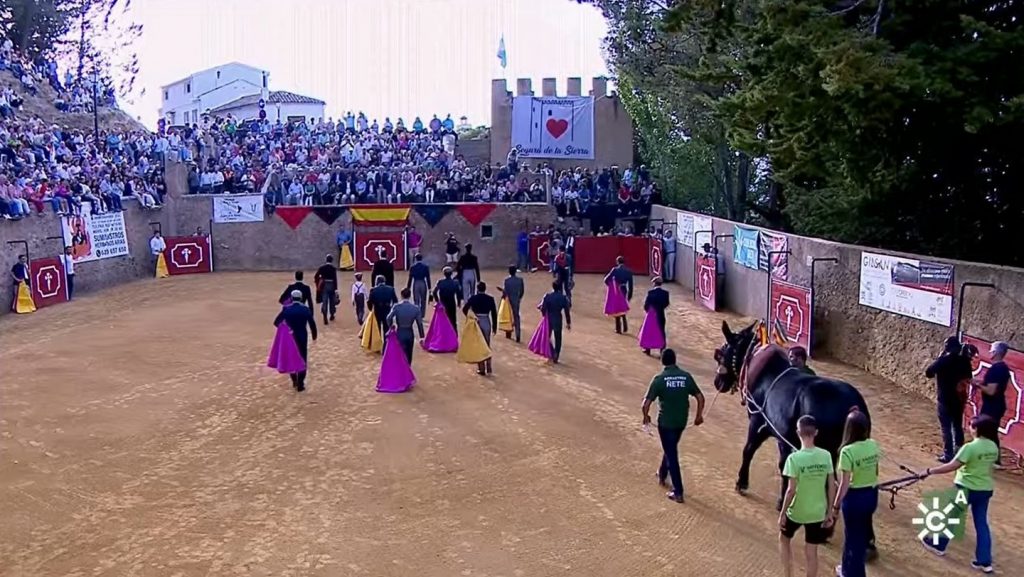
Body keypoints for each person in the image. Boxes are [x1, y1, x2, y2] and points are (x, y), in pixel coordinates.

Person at [920, 415, 1000, 573]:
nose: (970, 429)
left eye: (972, 426)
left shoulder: (970, 447)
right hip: (985, 490)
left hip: (965, 488)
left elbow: (952, 466)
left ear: (977, 429)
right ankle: (985, 561)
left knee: (951, 517)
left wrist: (930, 471)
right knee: (982, 524)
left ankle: (938, 545)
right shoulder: (993, 447)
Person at [642, 348, 705, 503]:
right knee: (670, 448)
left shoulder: (659, 379)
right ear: (675, 360)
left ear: (663, 361)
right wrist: (698, 416)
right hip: (681, 422)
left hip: (666, 423)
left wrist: (646, 416)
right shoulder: (686, 377)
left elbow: (645, 404)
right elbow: (700, 397)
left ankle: (678, 491)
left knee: (671, 454)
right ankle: (662, 474)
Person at [779, 415, 835, 577]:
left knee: (784, 539)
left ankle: (788, 574)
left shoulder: (794, 459)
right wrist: (830, 511)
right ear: (816, 432)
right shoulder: (826, 456)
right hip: (817, 512)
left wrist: (782, 513)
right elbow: (831, 485)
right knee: (812, 552)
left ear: (798, 432)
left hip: (797, 511)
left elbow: (790, 490)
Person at [831, 409, 879, 577]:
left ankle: (852, 572)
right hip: (872, 495)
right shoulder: (873, 444)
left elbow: (844, 484)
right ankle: (848, 568)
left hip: (854, 498)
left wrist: (835, 506)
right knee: (861, 534)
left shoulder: (847, 451)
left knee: (852, 537)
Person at [925, 336, 974, 462]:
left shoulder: (944, 360)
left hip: (945, 399)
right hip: (959, 398)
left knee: (946, 427)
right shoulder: (964, 361)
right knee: (957, 425)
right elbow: (969, 376)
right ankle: (960, 451)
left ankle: (948, 454)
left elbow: (928, 372)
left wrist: (940, 358)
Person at [273, 290, 318, 391]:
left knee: (291, 358)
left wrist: (285, 330)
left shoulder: (286, 310)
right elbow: (312, 324)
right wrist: (314, 335)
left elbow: (276, 322)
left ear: (292, 298)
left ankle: (294, 380)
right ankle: (301, 384)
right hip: (302, 337)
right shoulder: (305, 310)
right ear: (301, 298)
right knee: (302, 359)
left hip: (290, 337)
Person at [977, 341, 1010, 468]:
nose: (989, 352)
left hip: (992, 406)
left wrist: (978, 384)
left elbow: (991, 391)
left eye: (991, 350)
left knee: (985, 431)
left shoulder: (997, 369)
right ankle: (994, 460)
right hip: (996, 405)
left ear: (996, 353)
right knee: (991, 432)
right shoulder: (1002, 368)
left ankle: (991, 460)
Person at [462, 281, 498, 375]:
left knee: (479, 345)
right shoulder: (490, 298)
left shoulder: (473, 298)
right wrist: (494, 327)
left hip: (476, 321)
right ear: (485, 289)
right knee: (487, 344)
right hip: (486, 320)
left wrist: (471, 317)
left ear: (477, 289)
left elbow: (464, 309)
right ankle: (489, 367)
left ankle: (481, 368)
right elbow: (494, 313)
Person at [387, 287, 425, 364]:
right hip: (409, 333)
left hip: (400, 332)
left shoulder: (396, 307)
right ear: (410, 296)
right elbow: (420, 324)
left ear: (401, 296)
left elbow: (388, 318)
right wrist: (421, 336)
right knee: (409, 354)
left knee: (400, 354)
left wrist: (391, 327)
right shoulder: (415, 308)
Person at [539, 281, 572, 363]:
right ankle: (556, 354)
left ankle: (552, 352)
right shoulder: (563, 298)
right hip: (558, 319)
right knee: (558, 338)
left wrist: (544, 316)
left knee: (546, 337)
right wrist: (568, 322)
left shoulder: (547, 296)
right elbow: (566, 311)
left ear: (552, 287)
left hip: (549, 319)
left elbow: (543, 308)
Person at [604, 256, 634, 334]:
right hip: (624, 290)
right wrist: (629, 296)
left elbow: (606, 280)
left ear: (617, 262)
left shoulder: (615, 270)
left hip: (616, 290)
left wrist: (611, 286)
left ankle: (618, 329)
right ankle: (625, 326)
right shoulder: (629, 271)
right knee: (623, 308)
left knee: (617, 309)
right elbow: (631, 286)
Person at [642, 277, 670, 356]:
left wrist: (649, 312)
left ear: (654, 283)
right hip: (661, 314)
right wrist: (660, 309)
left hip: (652, 315)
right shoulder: (665, 293)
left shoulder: (651, 292)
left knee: (649, 332)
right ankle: (662, 350)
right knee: (661, 331)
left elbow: (646, 305)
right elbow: (666, 303)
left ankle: (648, 349)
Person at [499, 265, 525, 342]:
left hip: (508, 301)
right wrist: (518, 298)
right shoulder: (520, 280)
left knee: (508, 316)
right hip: (516, 300)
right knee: (516, 316)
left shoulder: (507, 281)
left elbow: (506, 292)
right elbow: (522, 291)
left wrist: (502, 293)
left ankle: (508, 333)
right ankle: (518, 335)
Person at [433, 267, 462, 333]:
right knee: (453, 320)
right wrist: (459, 302)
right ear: (451, 274)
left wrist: (438, 301)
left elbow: (434, 292)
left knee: (443, 320)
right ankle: (454, 334)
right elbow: (458, 293)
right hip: (452, 303)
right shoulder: (455, 282)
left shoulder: (440, 282)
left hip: (443, 303)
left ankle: (443, 334)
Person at [314, 255, 339, 324]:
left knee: (324, 300)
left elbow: (316, 276)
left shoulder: (322, 268)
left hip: (324, 285)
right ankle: (332, 314)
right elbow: (335, 279)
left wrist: (319, 281)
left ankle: (324, 315)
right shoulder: (333, 268)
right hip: (332, 285)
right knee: (332, 301)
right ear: (332, 260)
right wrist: (336, 289)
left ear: (326, 260)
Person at [406, 253, 431, 318]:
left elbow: (410, 278)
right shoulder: (425, 267)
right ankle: (422, 315)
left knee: (416, 300)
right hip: (423, 282)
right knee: (423, 300)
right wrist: (429, 288)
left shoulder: (413, 267)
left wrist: (408, 287)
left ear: (416, 259)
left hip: (416, 283)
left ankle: (417, 314)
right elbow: (428, 278)